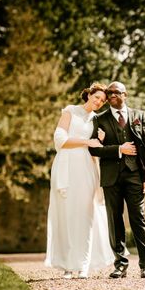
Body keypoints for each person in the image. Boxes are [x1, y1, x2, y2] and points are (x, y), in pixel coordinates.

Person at [44, 83, 115, 278]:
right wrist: (86, 141)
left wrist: (102, 140)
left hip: (87, 168)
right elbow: (59, 139)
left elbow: (99, 148)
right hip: (66, 167)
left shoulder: (97, 120)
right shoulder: (69, 111)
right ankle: (68, 265)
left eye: (103, 101)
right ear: (89, 94)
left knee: (85, 215)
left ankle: (84, 264)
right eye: (97, 97)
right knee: (66, 215)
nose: (99, 102)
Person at [89, 81, 145, 278]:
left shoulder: (139, 116)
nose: (111, 96)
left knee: (138, 219)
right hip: (111, 177)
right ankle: (120, 264)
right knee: (115, 220)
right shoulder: (99, 119)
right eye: (109, 93)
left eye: (115, 92)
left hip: (135, 175)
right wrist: (119, 149)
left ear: (125, 95)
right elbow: (93, 148)